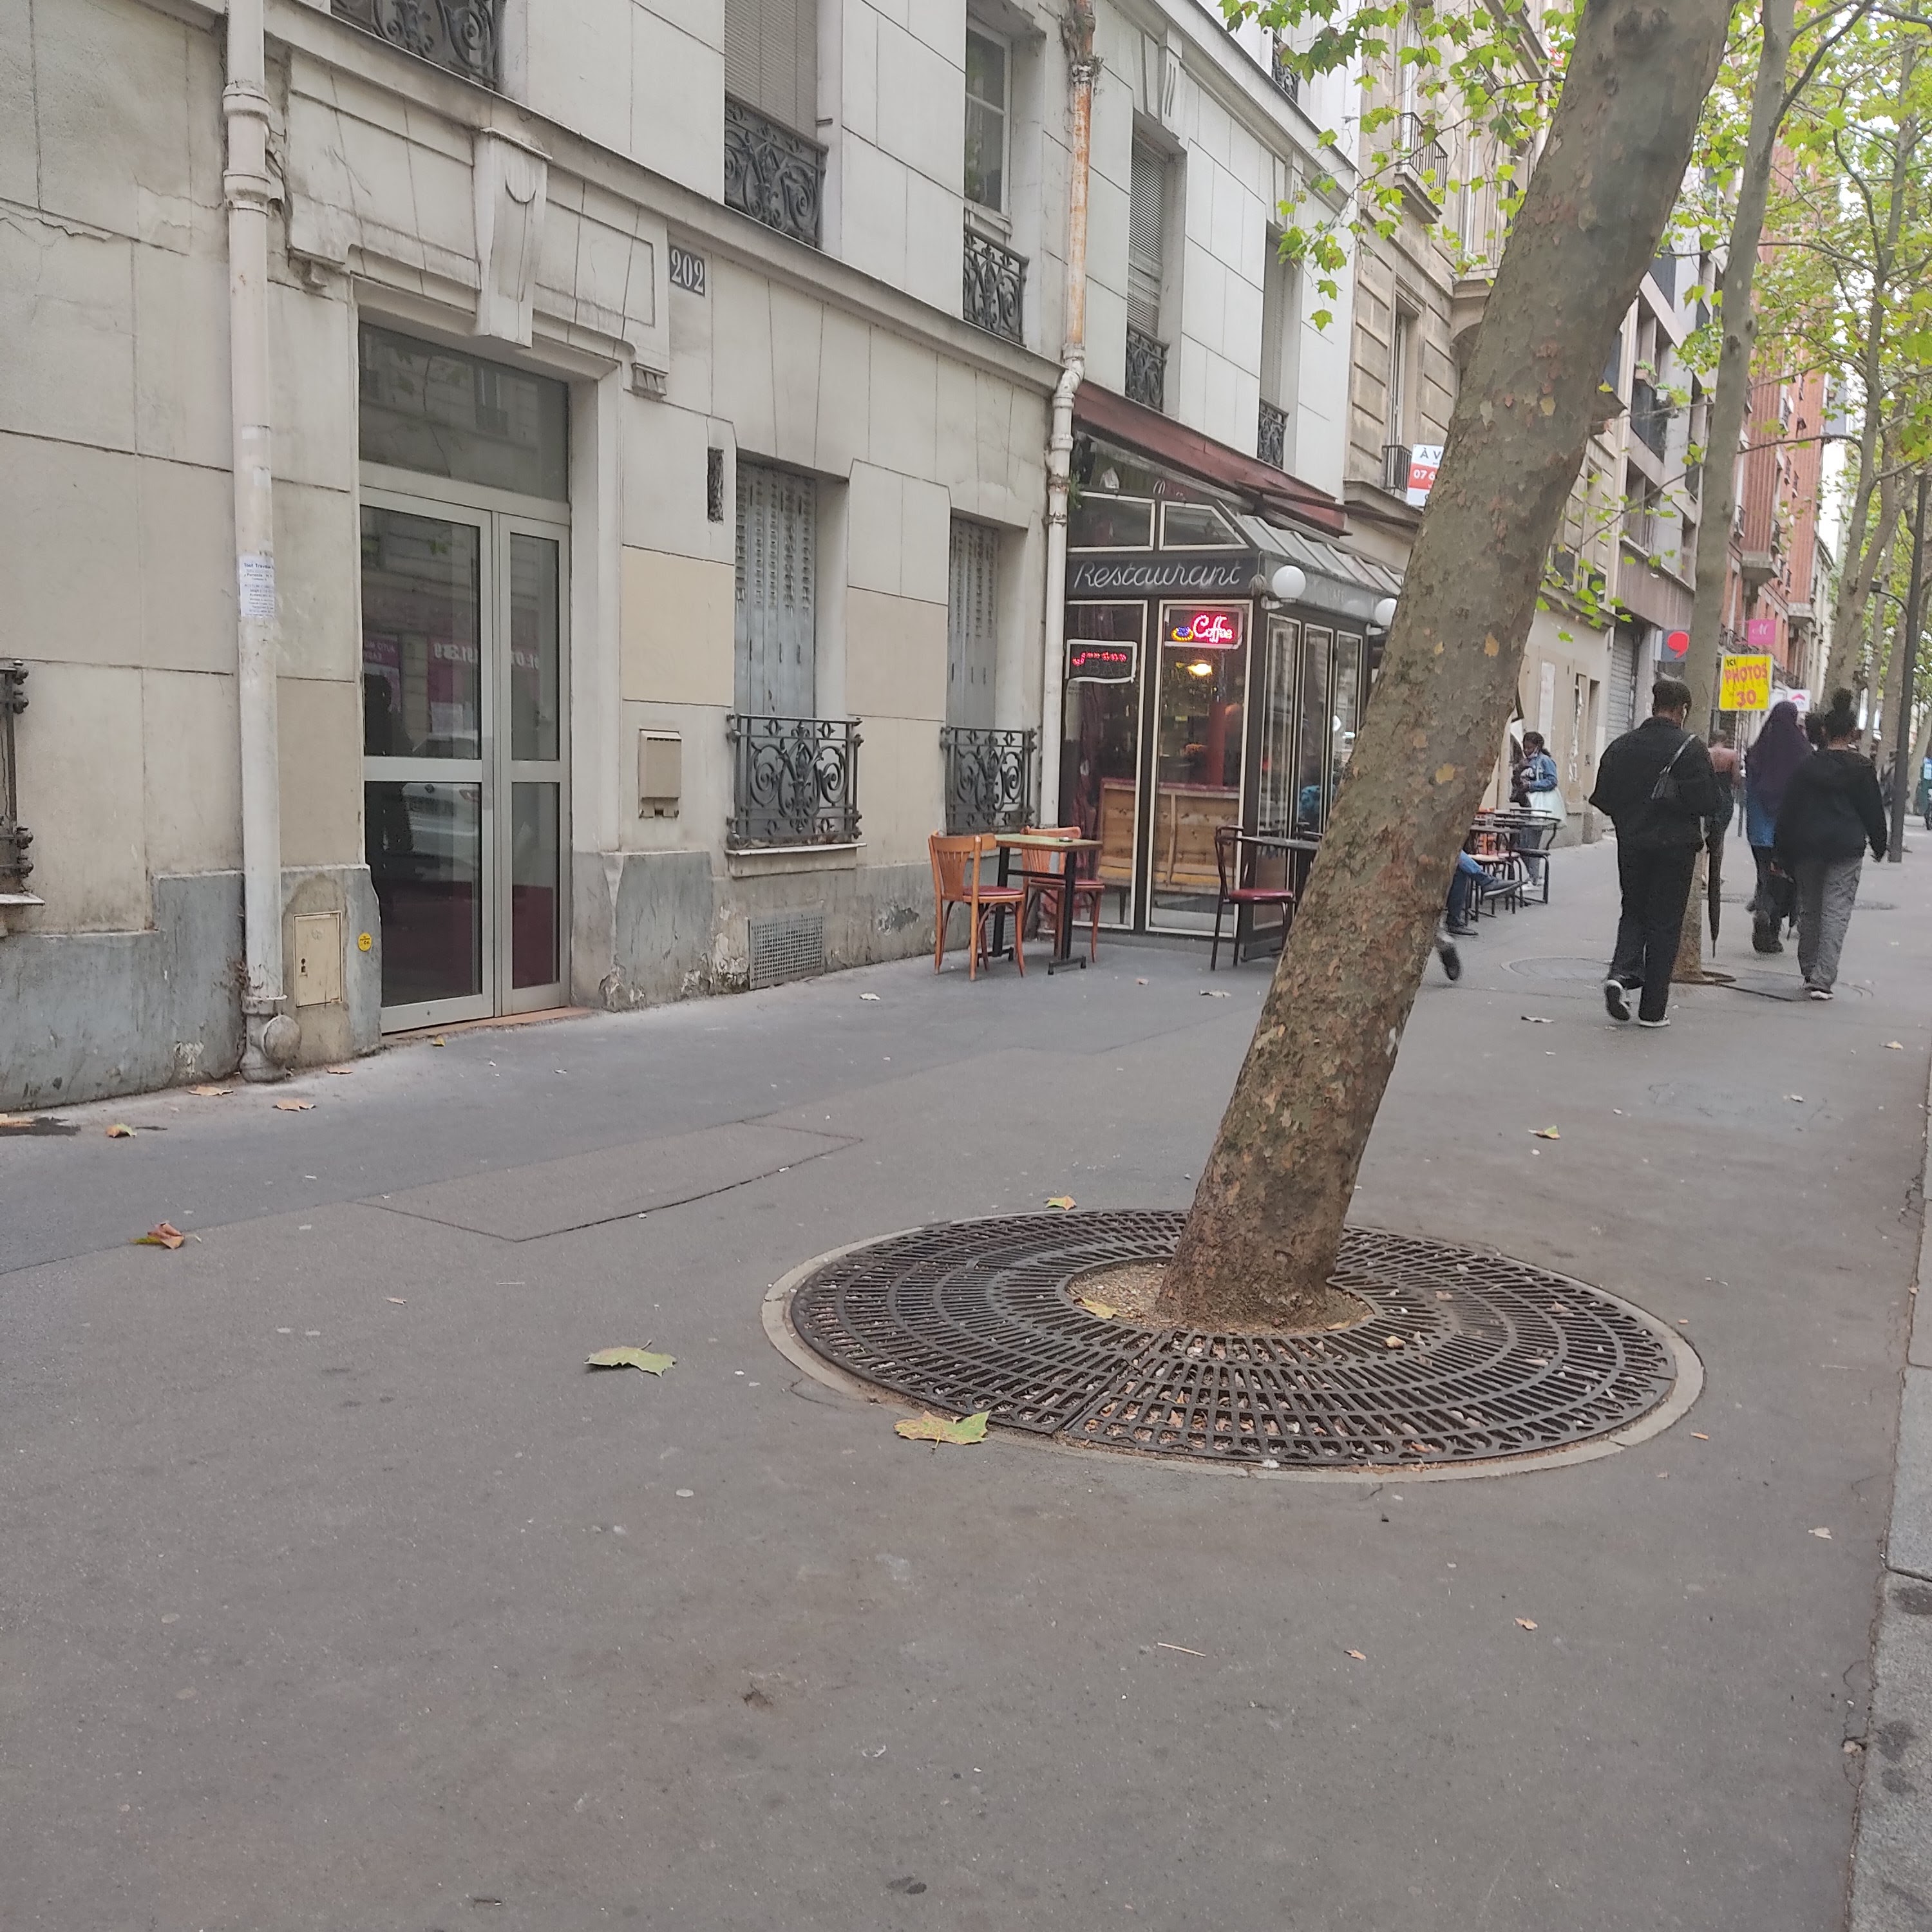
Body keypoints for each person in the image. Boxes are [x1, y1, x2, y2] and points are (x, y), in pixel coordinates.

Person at [1587, 675, 1721, 1027]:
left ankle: (1620, 973)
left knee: (1633, 910)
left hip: (1632, 845)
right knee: (1665, 923)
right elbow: (1709, 802)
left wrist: (1630, 819)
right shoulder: (1692, 749)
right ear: (1683, 709)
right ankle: (1652, 1010)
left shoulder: (1623, 746)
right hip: (1676, 850)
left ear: (1653, 704)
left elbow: (1603, 797)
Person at [1772, 689, 1887, 1000]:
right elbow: (1872, 810)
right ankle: (1823, 978)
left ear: (1824, 730)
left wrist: (1779, 851)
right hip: (1846, 846)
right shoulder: (1862, 769)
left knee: (1809, 909)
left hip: (1807, 846)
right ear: (1852, 732)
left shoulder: (1806, 766)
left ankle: (1809, 969)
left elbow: (1789, 810)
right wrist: (1880, 843)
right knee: (1836, 910)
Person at [1741, 700, 1810, 953]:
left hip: (1759, 832)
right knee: (1785, 879)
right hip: (1788, 832)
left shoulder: (1757, 752)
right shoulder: (1801, 752)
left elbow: (1749, 791)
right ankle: (1771, 922)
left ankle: (1763, 910)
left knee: (1764, 876)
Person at [1519, 732, 1562, 820]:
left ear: (1537, 747)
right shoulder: (1526, 761)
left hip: (1542, 800)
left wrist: (1532, 785)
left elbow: (1552, 781)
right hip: (1527, 800)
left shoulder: (1545, 760)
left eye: (1529, 748)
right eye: (1524, 748)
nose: (1526, 751)